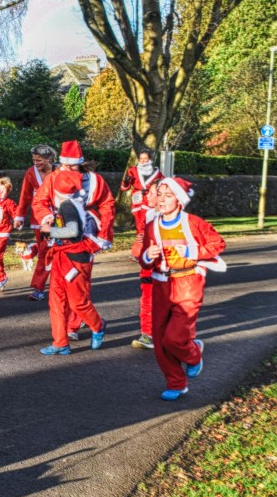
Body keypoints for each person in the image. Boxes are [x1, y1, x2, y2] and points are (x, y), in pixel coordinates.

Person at [135, 176, 227, 400]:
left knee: (174, 338)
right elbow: (142, 256)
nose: (162, 200)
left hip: (188, 282)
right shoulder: (150, 226)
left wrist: (192, 253)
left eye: (168, 196)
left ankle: (194, 354)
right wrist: (148, 255)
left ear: (180, 200)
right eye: (160, 195)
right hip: (161, 283)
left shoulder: (194, 222)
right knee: (159, 340)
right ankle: (176, 384)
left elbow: (218, 244)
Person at [31, 140, 115, 354]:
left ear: (80, 164)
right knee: (56, 297)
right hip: (59, 242)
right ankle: (60, 342)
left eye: (73, 167)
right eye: (65, 166)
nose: (68, 171)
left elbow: (107, 204)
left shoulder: (94, 181)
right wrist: (47, 219)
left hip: (83, 243)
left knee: (78, 296)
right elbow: (39, 202)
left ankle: (89, 325)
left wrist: (103, 234)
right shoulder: (52, 179)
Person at [119, 147, 165, 349]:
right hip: (139, 202)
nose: (143, 161)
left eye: (146, 158)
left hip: (164, 266)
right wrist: (128, 183)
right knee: (141, 230)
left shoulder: (158, 174)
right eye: (142, 158)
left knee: (164, 300)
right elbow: (123, 187)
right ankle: (148, 334)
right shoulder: (132, 171)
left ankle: (171, 334)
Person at [16, 144, 56, 300]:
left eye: (39, 160)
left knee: (62, 251)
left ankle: (63, 285)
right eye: (34, 160)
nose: (36, 163)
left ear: (49, 159)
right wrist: (19, 216)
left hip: (60, 218)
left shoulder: (59, 171)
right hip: (39, 219)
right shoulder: (30, 173)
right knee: (44, 251)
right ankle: (38, 287)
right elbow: (25, 196)